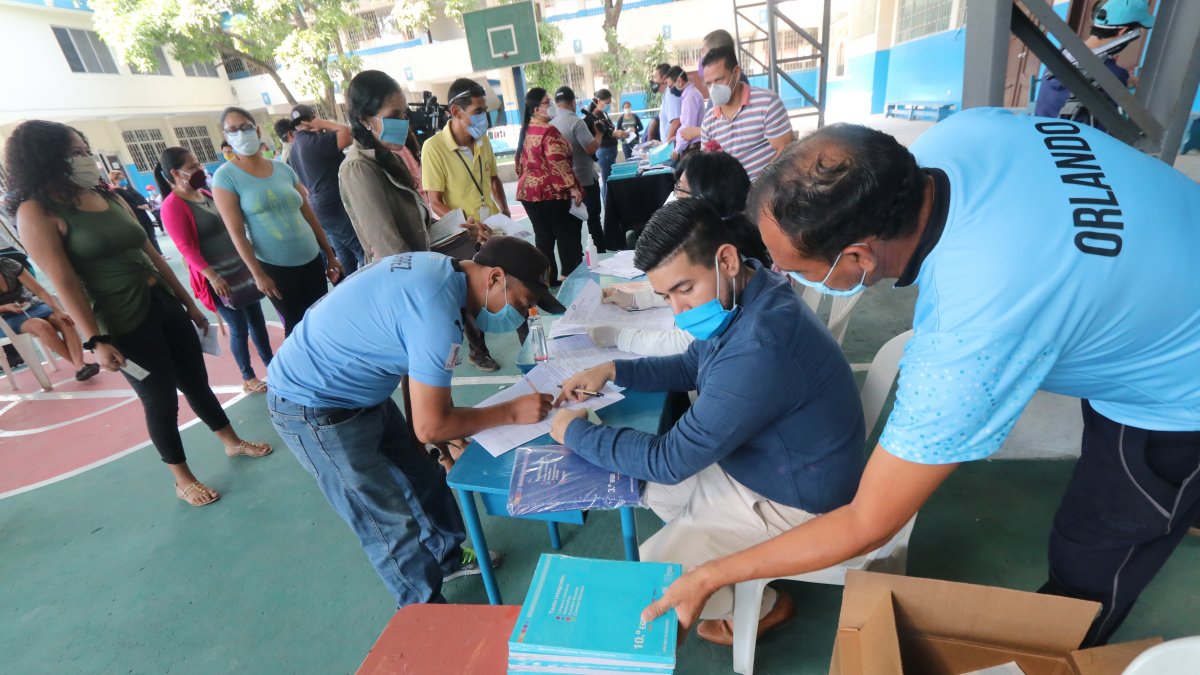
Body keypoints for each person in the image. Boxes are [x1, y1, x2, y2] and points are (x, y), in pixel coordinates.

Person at [640, 109, 1200, 648]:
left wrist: (712, 574)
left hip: (1178, 388)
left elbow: (868, 520)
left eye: (795, 269)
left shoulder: (970, 335)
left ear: (856, 256)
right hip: (1165, 275)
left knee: (1096, 549)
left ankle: (1064, 640)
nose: (780, 275)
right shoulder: (955, 139)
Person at [551, 198, 864, 645]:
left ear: (726, 260)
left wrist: (574, 431)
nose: (678, 311)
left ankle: (751, 600)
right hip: (773, 462)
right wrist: (616, 369)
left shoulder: (758, 345)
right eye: (666, 297)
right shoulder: (749, 293)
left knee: (654, 590)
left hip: (796, 497)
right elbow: (689, 367)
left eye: (684, 289)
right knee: (649, 490)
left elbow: (668, 459)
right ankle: (753, 597)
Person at [266, 237, 564, 607]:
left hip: (361, 391)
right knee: (389, 523)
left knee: (424, 473)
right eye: (522, 303)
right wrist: (510, 412)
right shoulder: (436, 312)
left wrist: (432, 436)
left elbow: (420, 382)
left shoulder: (442, 273)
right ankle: (427, 617)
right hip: (314, 405)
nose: (523, 314)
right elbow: (432, 425)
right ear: (495, 277)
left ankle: (447, 559)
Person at [6, 120, 271, 507]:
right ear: (46, 159)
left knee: (196, 381)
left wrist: (189, 303)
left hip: (162, 304)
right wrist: (96, 339)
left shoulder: (108, 196)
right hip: (121, 322)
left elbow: (151, 253)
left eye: (85, 150)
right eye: (75, 153)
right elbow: (64, 282)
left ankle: (231, 442)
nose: (85, 159)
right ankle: (182, 479)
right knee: (159, 399)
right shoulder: (37, 212)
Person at [589, 151, 768, 357]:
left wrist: (621, 338)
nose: (674, 197)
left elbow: (687, 343)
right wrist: (635, 299)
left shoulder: (721, 257)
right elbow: (684, 291)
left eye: (681, 190)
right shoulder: (725, 239)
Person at [211, 106, 343, 337]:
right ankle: (303, 373)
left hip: (311, 257)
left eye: (245, 127)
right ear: (225, 136)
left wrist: (330, 255)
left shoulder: (283, 169)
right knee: (297, 329)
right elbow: (237, 233)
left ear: (257, 129)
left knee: (322, 320)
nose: (240, 134)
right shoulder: (225, 177)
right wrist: (257, 274)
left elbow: (309, 215)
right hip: (275, 267)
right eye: (232, 130)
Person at [156, 147, 273, 394]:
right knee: (239, 327)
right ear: (176, 173)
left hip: (240, 269)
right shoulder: (172, 205)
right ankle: (248, 377)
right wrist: (213, 276)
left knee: (257, 321)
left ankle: (273, 366)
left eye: (198, 164)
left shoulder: (205, 193)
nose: (199, 169)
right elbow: (185, 247)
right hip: (218, 278)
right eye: (192, 166)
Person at [422, 77, 512, 372]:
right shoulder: (433, 148)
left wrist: (505, 212)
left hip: (492, 226)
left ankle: (529, 339)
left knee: (509, 282)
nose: (483, 117)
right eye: (477, 111)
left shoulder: (483, 141)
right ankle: (478, 350)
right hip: (462, 234)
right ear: (455, 111)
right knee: (471, 297)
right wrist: (469, 224)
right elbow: (434, 200)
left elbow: (494, 179)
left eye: (485, 110)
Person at [339, 70, 435, 264]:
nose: (403, 123)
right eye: (393, 115)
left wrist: (456, 228)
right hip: (404, 277)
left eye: (403, 114)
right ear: (365, 119)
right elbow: (390, 249)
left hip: (419, 266)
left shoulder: (390, 157)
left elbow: (417, 223)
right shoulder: (358, 168)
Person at [1034, 0, 1153, 129]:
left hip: (1043, 138)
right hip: (1082, 145)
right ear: (1124, 31)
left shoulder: (1062, 56)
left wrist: (1128, 79)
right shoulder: (1113, 74)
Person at [286, 104, 364, 276]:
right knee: (361, 249)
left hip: (320, 207)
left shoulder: (294, 149)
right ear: (312, 119)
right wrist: (324, 123)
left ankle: (348, 288)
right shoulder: (313, 141)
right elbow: (348, 134)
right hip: (334, 204)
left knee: (345, 254)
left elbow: (299, 183)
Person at [516, 88, 586, 281]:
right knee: (566, 234)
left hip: (528, 192)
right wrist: (571, 187)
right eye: (548, 103)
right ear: (537, 108)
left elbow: (520, 163)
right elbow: (556, 159)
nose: (553, 106)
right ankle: (569, 275)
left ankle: (547, 279)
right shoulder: (549, 131)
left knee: (543, 237)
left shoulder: (527, 129)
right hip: (550, 192)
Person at [700, 46, 794, 180]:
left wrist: (756, 189)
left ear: (736, 73)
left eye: (719, 80)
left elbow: (785, 150)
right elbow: (709, 166)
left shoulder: (766, 103)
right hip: (732, 196)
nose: (714, 88)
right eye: (709, 84)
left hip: (769, 191)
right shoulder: (708, 122)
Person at [0, 257, 99, 381]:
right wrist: (5, 307)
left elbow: (39, 290)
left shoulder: (7, 264)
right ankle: (80, 365)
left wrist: (58, 310)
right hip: (5, 319)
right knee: (41, 326)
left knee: (64, 320)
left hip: (31, 305)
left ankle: (81, 366)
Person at [550, 86, 605, 254]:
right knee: (593, 220)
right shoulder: (576, 122)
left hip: (563, 184)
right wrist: (599, 134)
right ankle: (599, 254)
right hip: (585, 180)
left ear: (556, 103)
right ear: (573, 102)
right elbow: (590, 149)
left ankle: (576, 258)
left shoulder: (550, 124)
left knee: (571, 225)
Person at [108, 170, 163, 255]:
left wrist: (146, 205)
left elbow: (140, 197)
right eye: (120, 179)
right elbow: (125, 204)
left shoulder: (129, 187)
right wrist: (139, 206)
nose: (123, 180)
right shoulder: (116, 192)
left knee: (152, 234)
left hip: (144, 214)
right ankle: (152, 257)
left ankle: (160, 254)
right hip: (135, 216)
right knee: (144, 237)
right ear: (114, 180)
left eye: (123, 178)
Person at [591, 89, 627, 206]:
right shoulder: (595, 115)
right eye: (606, 102)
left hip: (610, 150)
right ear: (598, 101)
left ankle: (609, 206)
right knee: (607, 181)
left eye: (610, 102)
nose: (608, 105)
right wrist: (614, 134)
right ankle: (609, 208)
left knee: (608, 179)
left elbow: (609, 129)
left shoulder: (603, 113)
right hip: (604, 151)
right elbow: (602, 132)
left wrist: (616, 133)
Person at [670, 66, 704, 160]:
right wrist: (676, 137)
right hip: (690, 147)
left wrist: (677, 149)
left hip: (692, 150)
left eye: (671, 86)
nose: (670, 91)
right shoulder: (688, 95)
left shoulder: (690, 97)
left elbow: (687, 130)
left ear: (679, 81)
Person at [649, 63, 681, 146]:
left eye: (655, 77)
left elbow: (676, 122)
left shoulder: (671, 94)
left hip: (673, 147)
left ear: (664, 78)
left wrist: (666, 146)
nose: (653, 81)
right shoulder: (666, 95)